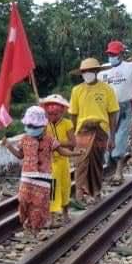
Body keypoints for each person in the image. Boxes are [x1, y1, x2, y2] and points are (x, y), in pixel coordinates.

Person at [3, 106, 76, 238]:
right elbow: (20, 155)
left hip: (43, 178)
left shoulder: (49, 140)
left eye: (34, 125)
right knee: (24, 200)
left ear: (42, 125)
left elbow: (61, 151)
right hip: (27, 176)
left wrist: (73, 153)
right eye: (29, 125)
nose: (31, 128)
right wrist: (9, 146)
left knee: (39, 204)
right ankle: (27, 224)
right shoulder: (24, 139)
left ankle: (36, 230)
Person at [69, 58, 119, 204]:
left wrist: (113, 137)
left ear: (97, 72)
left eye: (90, 71)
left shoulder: (107, 89)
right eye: (84, 71)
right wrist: (72, 136)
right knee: (81, 162)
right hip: (82, 131)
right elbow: (73, 114)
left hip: (100, 131)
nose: (87, 73)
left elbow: (112, 114)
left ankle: (95, 192)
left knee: (96, 163)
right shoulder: (77, 90)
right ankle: (79, 193)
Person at [98, 41, 132, 184]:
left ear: (121, 54)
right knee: (107, 140)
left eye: (114, 54)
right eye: (109, 54)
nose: (111, 56)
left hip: (125, 106)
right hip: (107, 109)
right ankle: (109, 168)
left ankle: (119, 172)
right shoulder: (103, 70)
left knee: (120, 139)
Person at [40, 95, 75, 227]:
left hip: (63, 161)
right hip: (49, 162)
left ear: (61, 112)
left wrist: (57, 143)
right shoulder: (44, 125)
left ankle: (65, 213)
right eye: (49, 114)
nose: (52, 116)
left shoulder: (67, 123)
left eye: (55, 114)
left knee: (65, 187)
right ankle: (51, 217)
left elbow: (73, 143)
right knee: (52, 189)